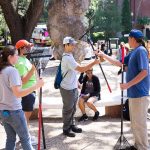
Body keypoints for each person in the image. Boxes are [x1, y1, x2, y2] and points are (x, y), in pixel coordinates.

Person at [96, 29, 150, 150]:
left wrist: (128, 85)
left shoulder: (140, 51)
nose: (127, 41)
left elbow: (144, 72)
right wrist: (103, 55)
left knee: (140, 124)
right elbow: (119, 63)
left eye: (129, 38)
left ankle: (144, 147)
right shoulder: (133, 52)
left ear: (133, 39)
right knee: (135, 123)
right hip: (133, 94)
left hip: (140, 94)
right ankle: (137, 146)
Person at [0, 45, 44, 150]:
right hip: (14, 110)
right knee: (25, 139)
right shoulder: (12, 71)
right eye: (16, 55)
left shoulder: (2, 71)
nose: (18, 57)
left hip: (3, 111)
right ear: (10, 57)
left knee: (10, 139)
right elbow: (18, 93)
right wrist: (36, 86)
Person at [60, 36, 100, 137]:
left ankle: (72, 125)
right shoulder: (67, 58)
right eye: (72, 44)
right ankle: (66, 128)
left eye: (74, 44)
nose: (74, 46)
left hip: (73, 87)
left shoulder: (70, 56)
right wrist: (94, 62)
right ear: (66, 45)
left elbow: (78, 68)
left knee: (73, 108)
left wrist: (92, 63)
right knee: (68, 109)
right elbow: (81, 69)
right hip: (67, 88)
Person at [15, 40, 38, 145]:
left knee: (25, 118)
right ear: (20, 49)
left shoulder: (24, 60)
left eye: (29, 47)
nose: (28, 49)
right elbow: (22, 80)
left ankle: (24, 137)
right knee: (25, 118)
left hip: (29, 91)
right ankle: (24, 138)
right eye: (26, 47)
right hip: (26, 93)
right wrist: (33, 70)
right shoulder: (20, 62)